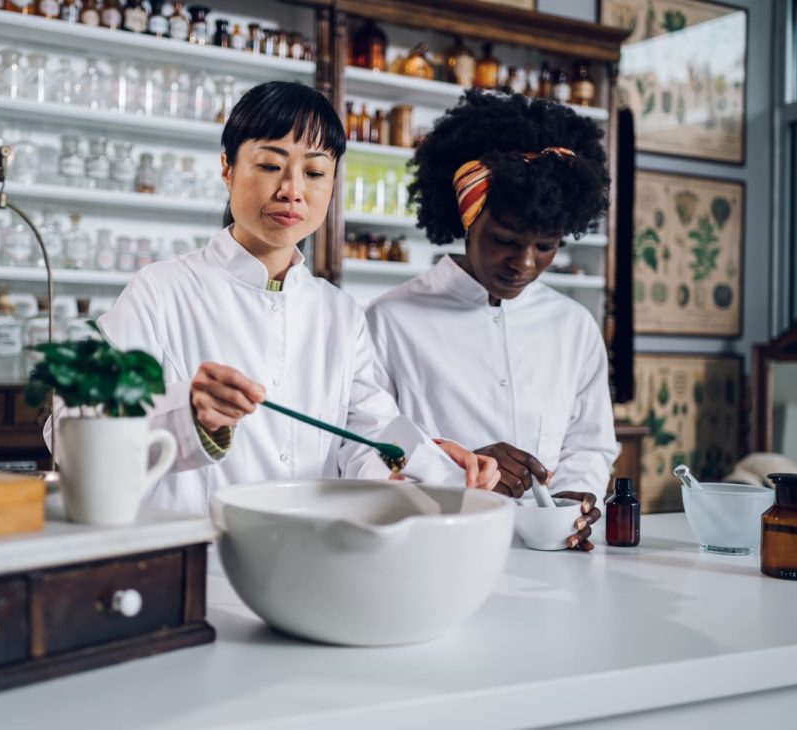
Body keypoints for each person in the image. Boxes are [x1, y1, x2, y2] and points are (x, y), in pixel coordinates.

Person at [45, 81, 497, 515]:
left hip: (304, 555)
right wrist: (187, 414)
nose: (292, 190)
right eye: (268, 165)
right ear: (227, 168)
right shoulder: (161, 291)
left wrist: (422, 463)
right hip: (197, 558)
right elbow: (69, 432)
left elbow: (364, 437)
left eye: (315, 172)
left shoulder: (338, 313)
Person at [366, 90, 620, 551]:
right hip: (434, 547)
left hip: (550, 553)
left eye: (545, 246)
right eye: (505, 239)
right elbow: (370, 444)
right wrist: (456, 471)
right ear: (466, 220)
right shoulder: (391, 319)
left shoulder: (574, 326)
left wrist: (575, 497)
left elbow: (591, 442)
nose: (524, 263)